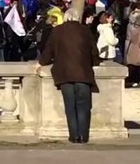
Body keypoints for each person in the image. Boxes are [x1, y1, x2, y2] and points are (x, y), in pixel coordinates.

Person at [38, 7, 100, 143]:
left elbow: (48, 52)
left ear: (65, 17)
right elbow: (94, 52)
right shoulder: (85, 30)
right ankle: (83, 136)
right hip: (83, 73)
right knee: (83, 106)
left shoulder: (57, 31)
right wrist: (95, 62)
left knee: (70, 106)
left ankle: (74, 135)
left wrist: (41, 63)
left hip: (64, 73)